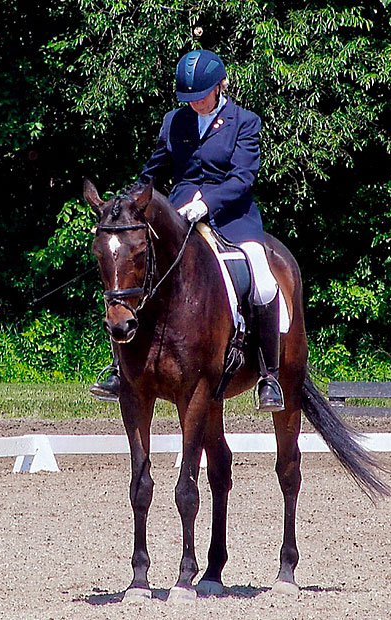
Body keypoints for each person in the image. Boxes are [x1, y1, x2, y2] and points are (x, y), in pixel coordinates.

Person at [90, 49, 284, 412]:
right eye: (188, 98)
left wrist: (207, 203)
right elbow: (151, 173)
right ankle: (119, 366)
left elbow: (242, 178)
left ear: (219, 87)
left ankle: (269, 376)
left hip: (231, 219)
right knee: (134, 273)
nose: (194, 104)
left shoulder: (244, 122)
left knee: (263, 280)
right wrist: (122, 206)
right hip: (178, 218)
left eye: (200, 97)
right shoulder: (173, 122)